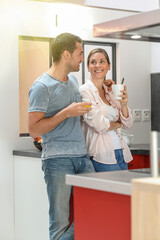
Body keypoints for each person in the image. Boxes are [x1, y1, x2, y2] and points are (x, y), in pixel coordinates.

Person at [28, 33, 95, 240]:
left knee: (94, 209)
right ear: (66, 54)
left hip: (82, 157)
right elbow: (34, 130)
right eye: (80, 53)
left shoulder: (73, 80)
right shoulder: (41, 87)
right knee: (59, 222)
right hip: (57, 160)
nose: (82, 58)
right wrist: (66, 112)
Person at [79, 48, 133, 172]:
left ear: (109, 66)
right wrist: (120, 123)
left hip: (121, 152)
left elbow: (128, 123)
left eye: (102, 61)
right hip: (101, 155)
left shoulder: (111, 90)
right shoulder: (84, 91)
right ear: (88, 66)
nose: (97, 65)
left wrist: (124, 104)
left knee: (123, 191)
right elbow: (99, 125)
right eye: (93, 62)